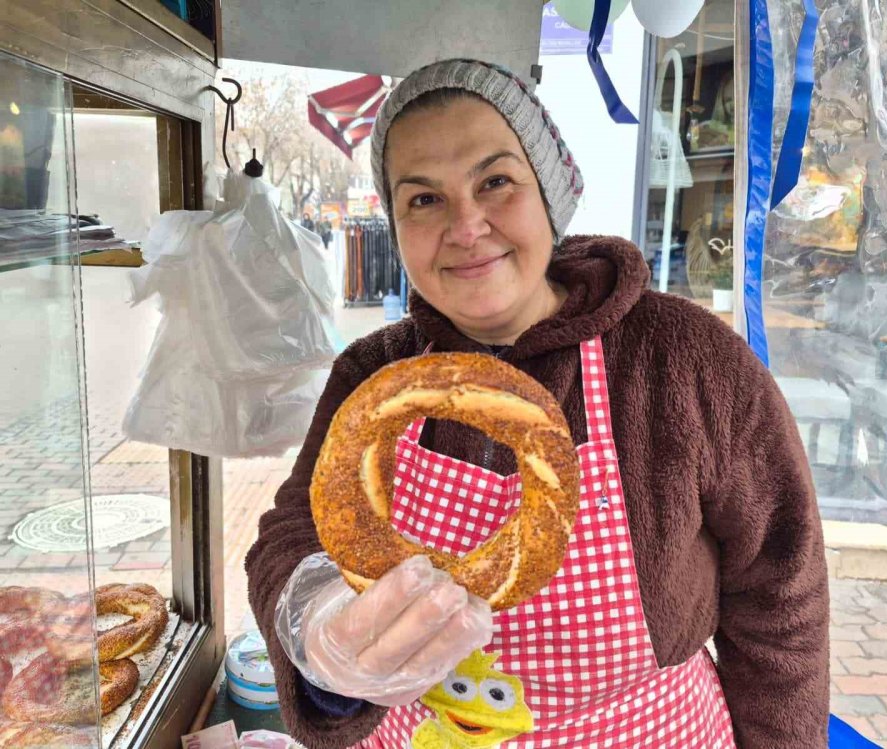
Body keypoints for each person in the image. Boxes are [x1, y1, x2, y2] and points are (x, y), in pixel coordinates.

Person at [246, 59, 830, 749]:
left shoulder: (682, 358)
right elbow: (294, 533)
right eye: (423, 199)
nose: (466, 225)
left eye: (495, 181)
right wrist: (321, 636)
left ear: (549, 189)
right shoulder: (374, 373)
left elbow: (781, 597)